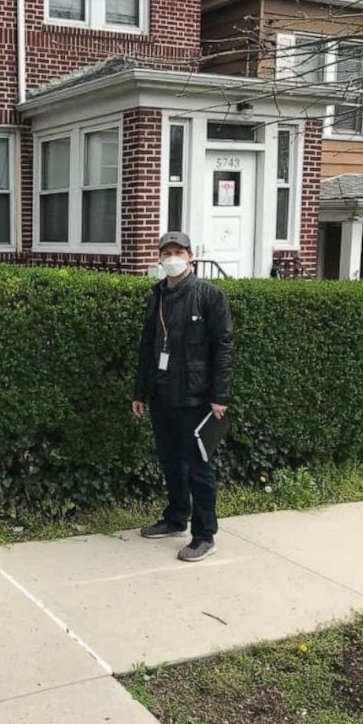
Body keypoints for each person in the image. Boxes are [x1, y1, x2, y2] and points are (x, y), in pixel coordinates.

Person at [132, 232, 233, 562]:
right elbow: (149, 346)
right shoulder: (158, 295)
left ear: (190, 255)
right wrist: (141, 392)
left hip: (196, 396)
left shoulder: (209, 295)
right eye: (167, 253)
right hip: (162, 394)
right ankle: (176, 518)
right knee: (171, 462)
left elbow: (223, 347)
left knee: (198, 468)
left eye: (178, 252)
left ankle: (205, 535)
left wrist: (219, 395)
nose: (172, 258)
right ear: (160, 258)